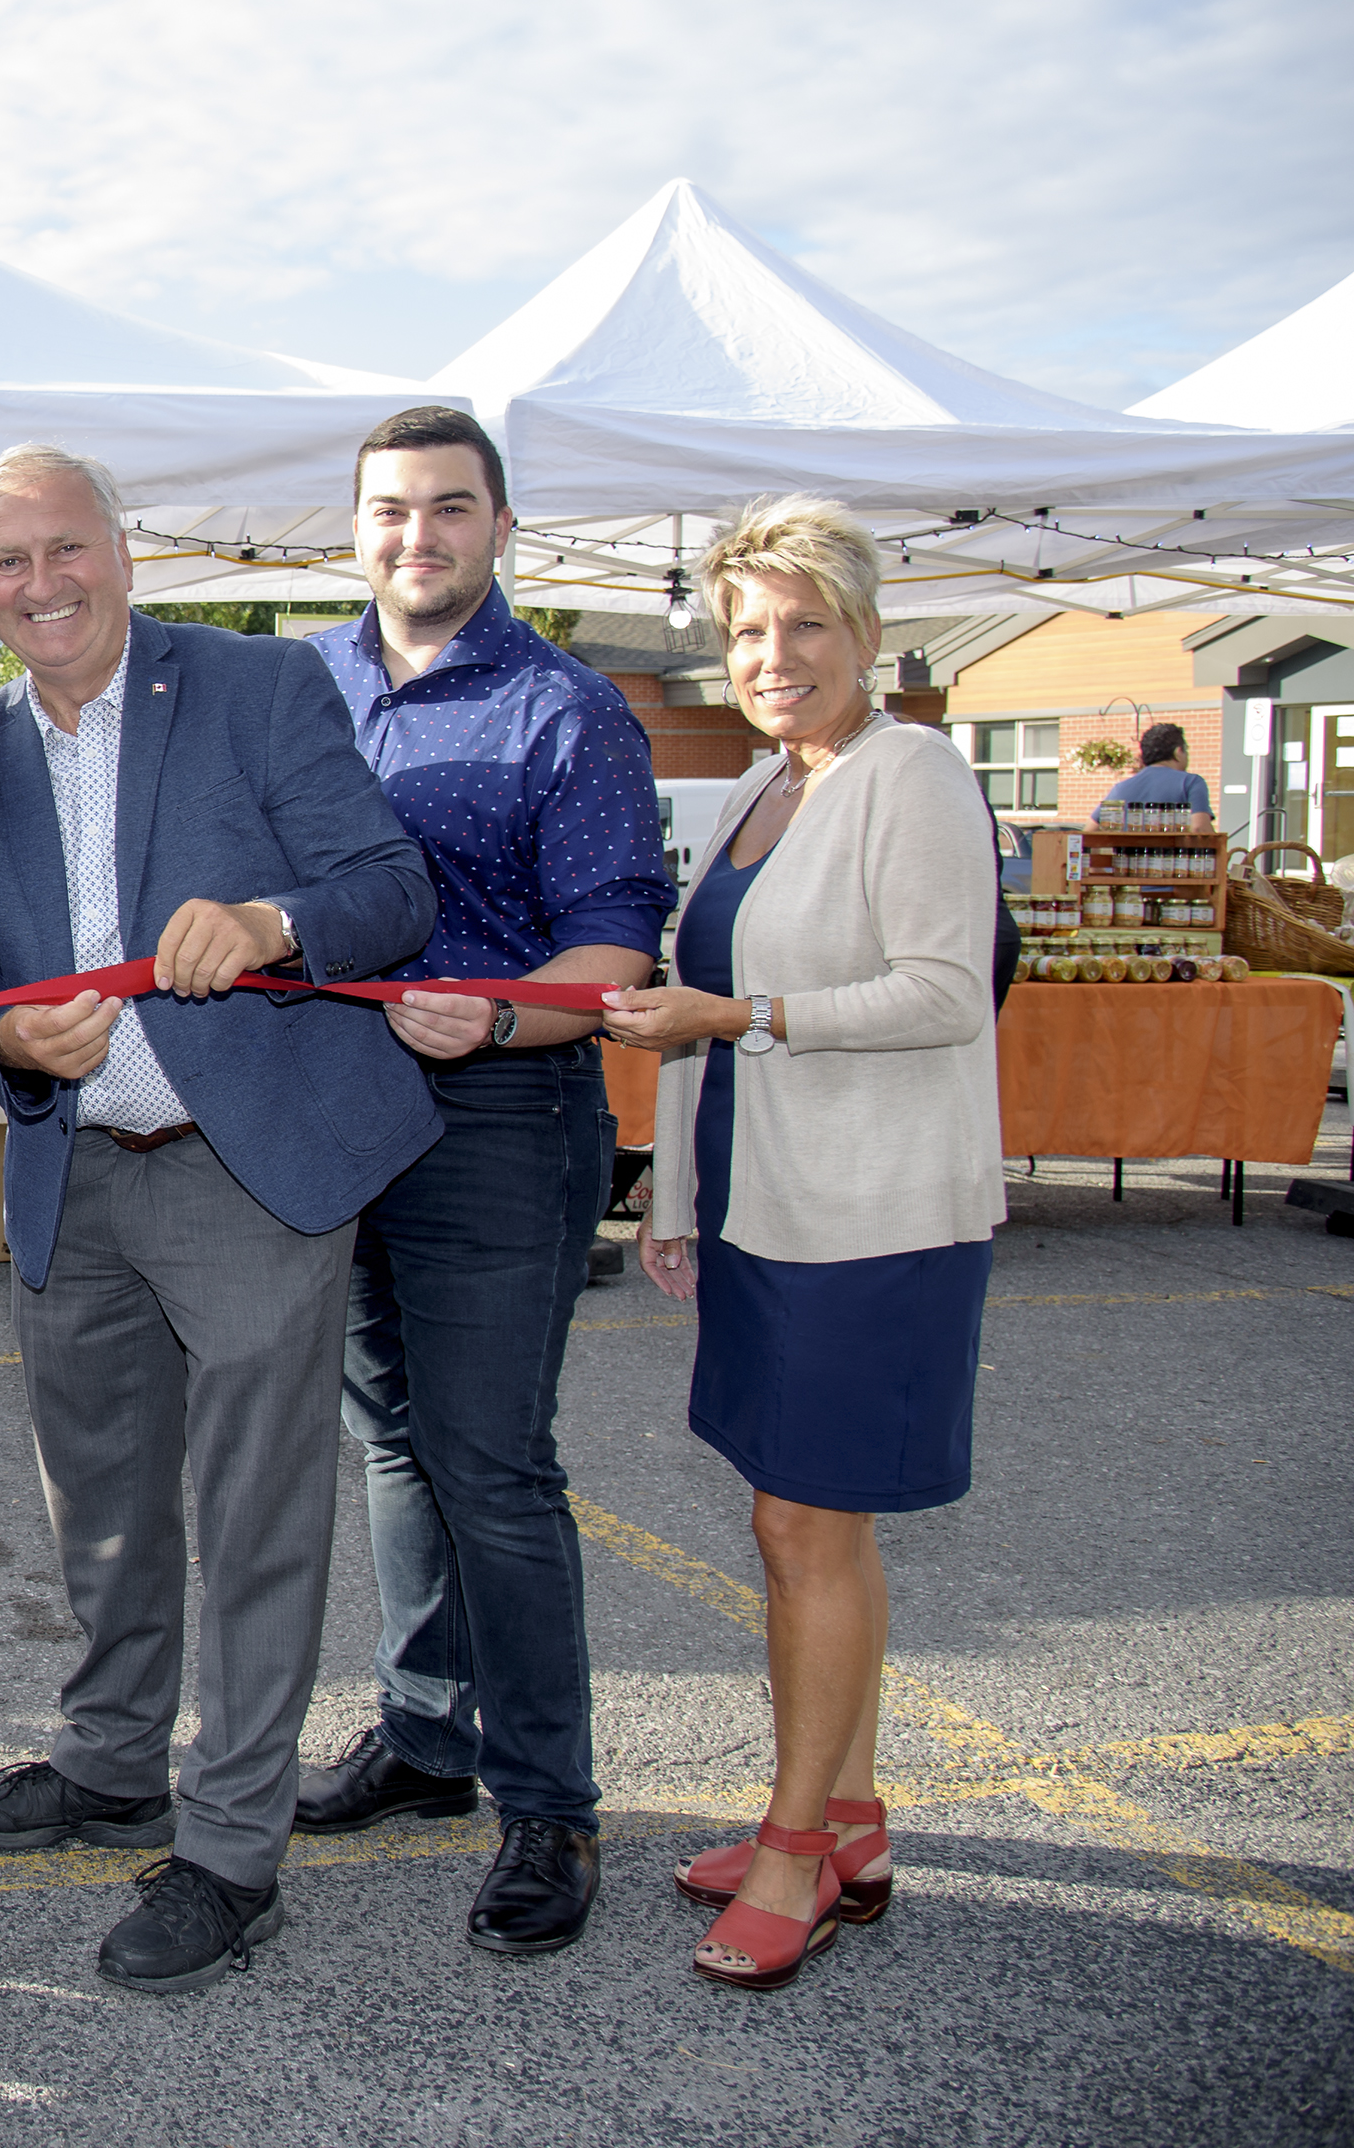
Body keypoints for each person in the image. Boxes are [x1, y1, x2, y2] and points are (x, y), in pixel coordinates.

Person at [0, 445, 442, 1993]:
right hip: (70, 1167)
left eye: (65, 549)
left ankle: (230, 1849)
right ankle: (108, 1762)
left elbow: (391, 886)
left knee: (257, 1512)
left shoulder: (256, 690)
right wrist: (6, 1043)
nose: (42, 586)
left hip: (245, 1160)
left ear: (124, 552)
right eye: (9, 564)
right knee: (98, 1500)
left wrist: (276, 922)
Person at [601, 499, 1001, 1992]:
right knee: (803, 1524)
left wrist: (749, 1018)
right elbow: (694, 996)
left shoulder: (912, 776)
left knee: (806, 1525)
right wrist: (672, 1198)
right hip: (767, 1209)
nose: (773, 656)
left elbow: (945, 993)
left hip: (876, 1218)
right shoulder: (771, 782)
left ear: (867, 634)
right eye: (748, 632)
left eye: (803, 625)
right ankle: (847, 1811)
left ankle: (794, 1851)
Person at [297, 405, 670, 1958]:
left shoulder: (567, 710)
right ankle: (428, 1734)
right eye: (391, 511)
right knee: (391, 1446)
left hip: (504, 1113)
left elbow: (616, 950)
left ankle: (550, 1802)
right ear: (359, 527)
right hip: (338, 1110)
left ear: (500, 530)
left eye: (450, 510)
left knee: (493, 1470)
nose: (417, 538)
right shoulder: (302, 686)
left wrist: (506, 1012)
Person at [1102, 721, 1214, 818]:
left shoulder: (1120, 789)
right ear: (1178, 751)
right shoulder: (1190, 782)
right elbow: (1199, 829)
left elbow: (1091, 830)